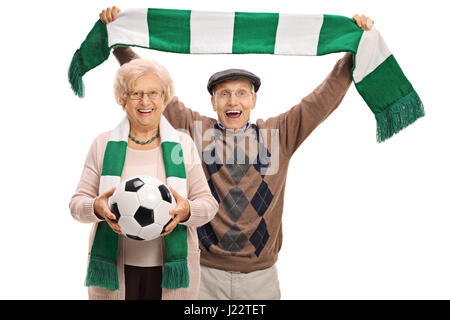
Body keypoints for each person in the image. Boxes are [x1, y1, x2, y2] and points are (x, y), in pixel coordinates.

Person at [100, 7, 374, 300]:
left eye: (242, 93)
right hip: (204, 274)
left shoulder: (279, 134)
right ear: (213, 101)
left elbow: (324, 97)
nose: (233, 100)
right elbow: (153, 88)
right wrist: (118, 40)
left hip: (262, 278)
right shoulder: (196, 131)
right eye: (224, 93)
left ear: (254, 99)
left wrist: (355, 49)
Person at [69, 58, 219, 300]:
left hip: (170, 271)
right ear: (123, 99)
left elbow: (209, 204)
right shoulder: (103, 144)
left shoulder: (182, 145)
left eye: (153, 93)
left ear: (164, 98)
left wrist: (187, 211)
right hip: (116, 270)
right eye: (136, 93)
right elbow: (76, 205)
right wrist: (95, 207)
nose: (145, 101)